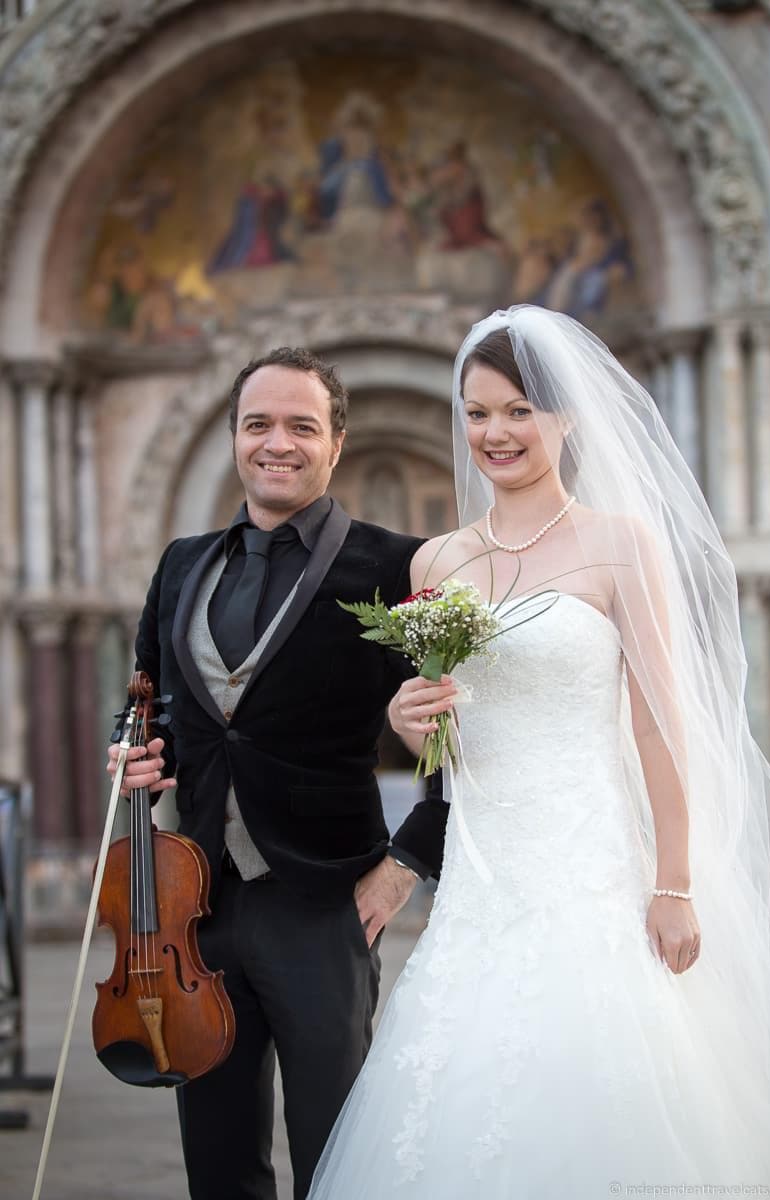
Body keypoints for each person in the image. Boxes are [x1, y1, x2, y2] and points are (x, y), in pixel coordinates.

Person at [306, 306, 770, 1198]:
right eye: (478, 412)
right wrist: (413, 716)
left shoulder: (619, 545)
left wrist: (676, 882)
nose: (495, 432)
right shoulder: (438, 566)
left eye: (519, 410)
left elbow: (658, 722)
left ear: (567, 418)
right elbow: (445, 736)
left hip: (594, 872)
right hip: (484, 882)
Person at [107, 346, 448, 1200]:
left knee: (337, 1158)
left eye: (302, 425)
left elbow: (467, 739)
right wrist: (138, 754)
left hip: (326, 906)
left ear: (336, 442)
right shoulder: (182, 563)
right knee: (217, 1164)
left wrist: (405, 867)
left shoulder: (395, 565)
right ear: (233, 438)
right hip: (194, 914)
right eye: (258, 424)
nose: (277, 443)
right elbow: (154, 706)